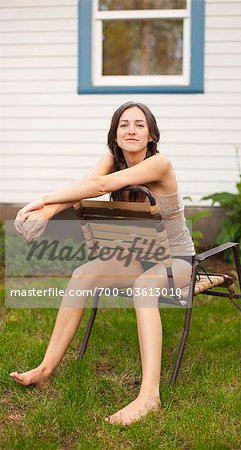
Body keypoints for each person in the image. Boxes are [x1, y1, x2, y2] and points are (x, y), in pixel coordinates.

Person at [10, 102, 195, 426]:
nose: (132, 130)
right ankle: (45, 370)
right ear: (115, 133)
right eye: (124, 124)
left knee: (144, 286)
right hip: (139, 258)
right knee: (83, 273)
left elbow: (101, 187)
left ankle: (149, 395)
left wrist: (42, 200)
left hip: (177, 261)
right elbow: (85, 184)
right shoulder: (111, 159)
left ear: (151, 135)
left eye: (140, 125)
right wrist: (49, 211)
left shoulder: (160, 165)